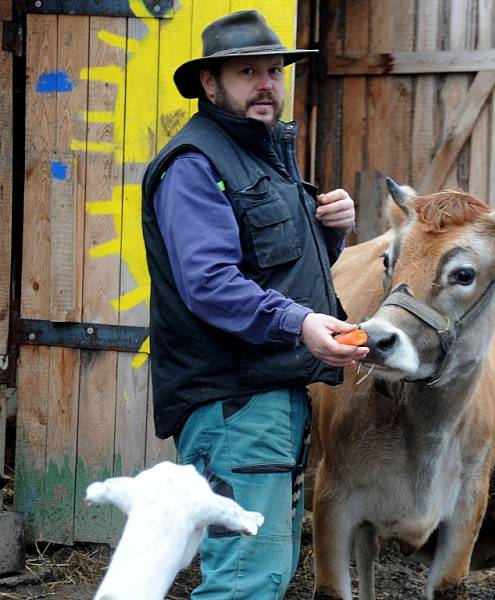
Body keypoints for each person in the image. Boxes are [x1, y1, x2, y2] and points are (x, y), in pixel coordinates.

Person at [140, 9, 368, 598]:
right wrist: (299, 324)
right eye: (248, 72)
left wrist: (331, 232)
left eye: (274, 70)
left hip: (268, 394)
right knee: (245, 581)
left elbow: (269, 264)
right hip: (235, 401)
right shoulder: (195, 164)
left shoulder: (263, 157)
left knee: (265, 572)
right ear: (210, 84)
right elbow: (210, 281)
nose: (267, 84)